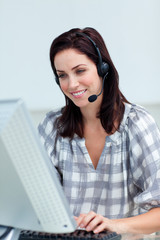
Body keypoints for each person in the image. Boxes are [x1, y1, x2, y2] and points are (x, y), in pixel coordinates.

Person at [38, 27, 160, 235]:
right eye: (62, 75)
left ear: (103, 68)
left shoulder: (137, 124)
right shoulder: (52, 126)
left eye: (80, 71)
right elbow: (36, 201)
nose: (71, 84)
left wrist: (113, 226)